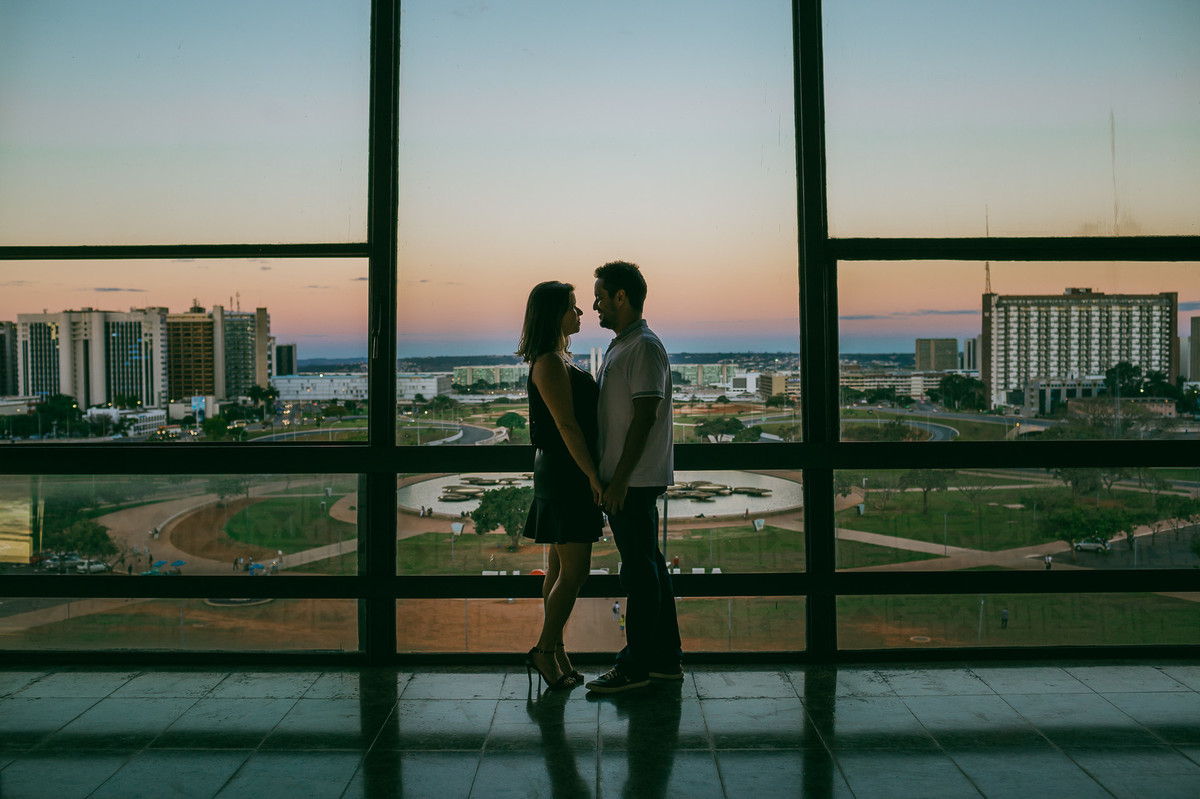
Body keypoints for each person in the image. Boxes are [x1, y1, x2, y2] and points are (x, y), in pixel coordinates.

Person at [585, 261, 682, 694]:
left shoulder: (642, 346)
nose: (595, 305)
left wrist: (620, 480)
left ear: (621, 297)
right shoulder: (625, 345)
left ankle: (636, 666)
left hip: (634, 481)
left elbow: (645, 416)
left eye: (601, 297)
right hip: (631, 479)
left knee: (639, 574)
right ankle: (664, 661)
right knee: (650, 569)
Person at [518, 280, 605, 691]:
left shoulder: (557, 358)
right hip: (566, 474)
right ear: (555, 314)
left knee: (557, 569)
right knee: (576, 571)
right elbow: (567, 426)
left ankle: (557, 652)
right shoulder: (549, 363)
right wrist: (593, 475)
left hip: (560, 472)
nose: (581, 312)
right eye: (573, 306)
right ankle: (543, 649)